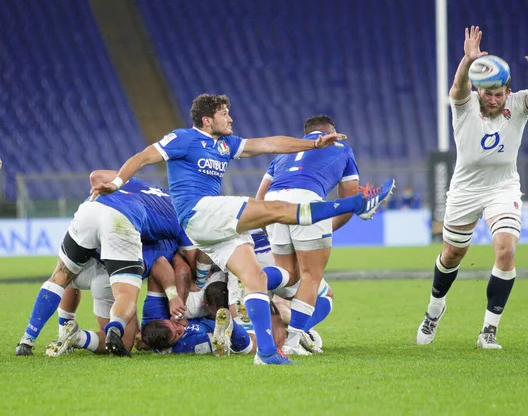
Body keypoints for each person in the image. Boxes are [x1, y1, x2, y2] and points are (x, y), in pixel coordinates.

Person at [90, 94, 395, 365]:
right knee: (277, 211)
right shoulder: (182, 138)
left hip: (211, 225)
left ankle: (266, 353)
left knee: (256, 277)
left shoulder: (226, 144)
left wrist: (313, 143)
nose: (231, 118)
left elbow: (269, 144)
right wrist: (116, 183)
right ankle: (358, 204)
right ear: (208, 119)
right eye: (225, 114)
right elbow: (143, 157)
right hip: (200, 210)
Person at [416, 27, 528, 349]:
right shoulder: (465, 105)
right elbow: (457, 86)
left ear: (507, 91)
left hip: (503, 188)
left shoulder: (519, 103)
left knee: (506, 251)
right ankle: (435, 307)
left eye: (499, 94)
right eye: (488, 94)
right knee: (453, 254)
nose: (494, 100)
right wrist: (467, 61)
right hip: (465, 190)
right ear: (480, 91)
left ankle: (488, 331)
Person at [16, 173, 189, 357]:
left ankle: (29, 339)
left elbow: (96, 175)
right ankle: (101, 332)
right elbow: (169, 262)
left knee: (62, 276)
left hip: (91, 209)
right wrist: (174, 295)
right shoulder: (174, 227)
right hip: (116, 246)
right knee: (125, 318)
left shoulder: (138, 185)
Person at [254, 114, 355, 354]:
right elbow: (350, 200)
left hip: (273, 203)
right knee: (311, 275)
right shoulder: (342, 148)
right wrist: (323, 227)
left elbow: (260, 199)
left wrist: (271, 227)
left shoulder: (283, 154)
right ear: (331, 132)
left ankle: (254, 282)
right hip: (307, 202)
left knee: (289, 274)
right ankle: (293, 343)